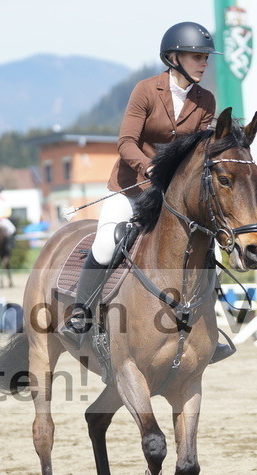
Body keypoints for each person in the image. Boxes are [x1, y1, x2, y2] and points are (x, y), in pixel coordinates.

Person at [62, 21, 220, 351]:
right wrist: (148, 166)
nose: (205, 63)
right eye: (197, 57)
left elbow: (194, 151)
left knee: (204, 243)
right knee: (106, 243)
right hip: (131, 187)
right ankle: (82, 314)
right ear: (174, 58)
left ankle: (208, 323)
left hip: (170, 195)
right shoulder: (146, 90)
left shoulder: (206, 101)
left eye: (206, 57)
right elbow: (126, 142)